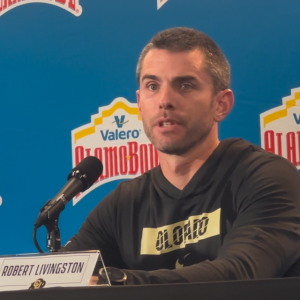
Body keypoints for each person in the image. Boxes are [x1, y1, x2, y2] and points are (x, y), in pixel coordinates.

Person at [61, 27, 300, 284]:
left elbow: (240, 275)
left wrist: (121, 283)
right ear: (139, 102)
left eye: (185, 85)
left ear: (221, 104)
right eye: (153, 86)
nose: (164, 100)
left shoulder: (265, 178)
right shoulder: (124, 204)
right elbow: (63, 277)